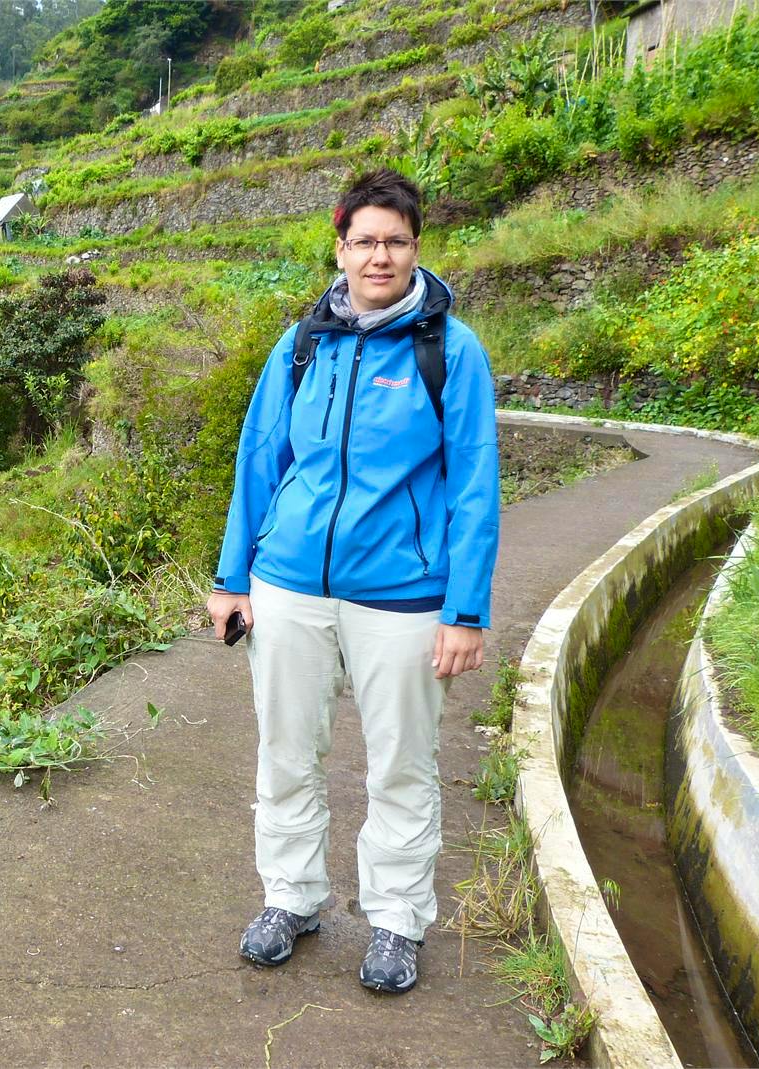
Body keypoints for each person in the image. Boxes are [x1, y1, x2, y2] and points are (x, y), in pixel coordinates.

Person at [206, 168, 500, 995]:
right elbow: (260, 457)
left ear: (416, 248)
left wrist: (465, 609)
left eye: (396, 241)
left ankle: (398, 918)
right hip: (290, 582)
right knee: (286, 750)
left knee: (402, 763)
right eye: (365, 240)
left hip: (403, 595)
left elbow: (475, 481)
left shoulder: (451, 348)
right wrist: (234, 577)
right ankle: (292, 897)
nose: (380, 255)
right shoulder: (303, 342)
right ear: (340, 247)